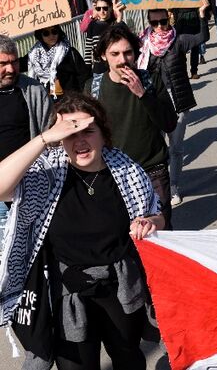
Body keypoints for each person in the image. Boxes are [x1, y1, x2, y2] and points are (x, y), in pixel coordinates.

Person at [0, 93, 164, 370]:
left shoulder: (126, 169)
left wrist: (151, 223)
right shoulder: (48, 172)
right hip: (67, 291)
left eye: (88, 131)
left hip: (121, 287)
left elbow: (156, 215)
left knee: (129, 358)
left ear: (103, 134)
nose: (80, 141)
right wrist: (43, 139)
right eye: (69, 135)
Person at [88, 23, 178, 227]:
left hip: (152, 172)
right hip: (113, 174)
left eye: (128, 53)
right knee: (122, 234)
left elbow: (169, 123)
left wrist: (143, 95)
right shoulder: (93, 88)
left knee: (159, 233)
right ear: (103, 56)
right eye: (115, 54)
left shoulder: (150, 80)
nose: (122, 60)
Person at [139, 5, 209, 208]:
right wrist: (118, 19)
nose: (159, 27)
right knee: (156, 147)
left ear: (168, 19)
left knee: (176, 149)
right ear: (149, 24)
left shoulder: (178, 40)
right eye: (154, 23)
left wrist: (202, 13)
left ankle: (174, 187)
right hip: (154, 101)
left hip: (177, 100)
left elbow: (202, 37)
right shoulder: (143, 44)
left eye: (163, 22)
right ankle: (156, 186)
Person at [0, 36, 52, 242]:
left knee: (31, 247)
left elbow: (48, 133)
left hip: (28, 187)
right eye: (3, 64)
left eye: (14, 62)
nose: (11, 69)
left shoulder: (33, 90)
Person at [26, 25, 91, 99]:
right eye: (46, 33)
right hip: (48, 102)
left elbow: (84, 77)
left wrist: (82, 98)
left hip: (70, 101)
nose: (51, 36)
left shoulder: (70, 52)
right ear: (40, 35)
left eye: (54, 32)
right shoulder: (34, 55)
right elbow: (17, 63)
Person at [79, 0, 124, 68]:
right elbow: (88, 48)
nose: (102, 11)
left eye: (105, 8)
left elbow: (122, 41)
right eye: (98, 8)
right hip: (99, 68)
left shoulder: (116, 23)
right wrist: (87, 69)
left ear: (110, 8)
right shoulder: (92, 24)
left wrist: (119, 18)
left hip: (115, 67)